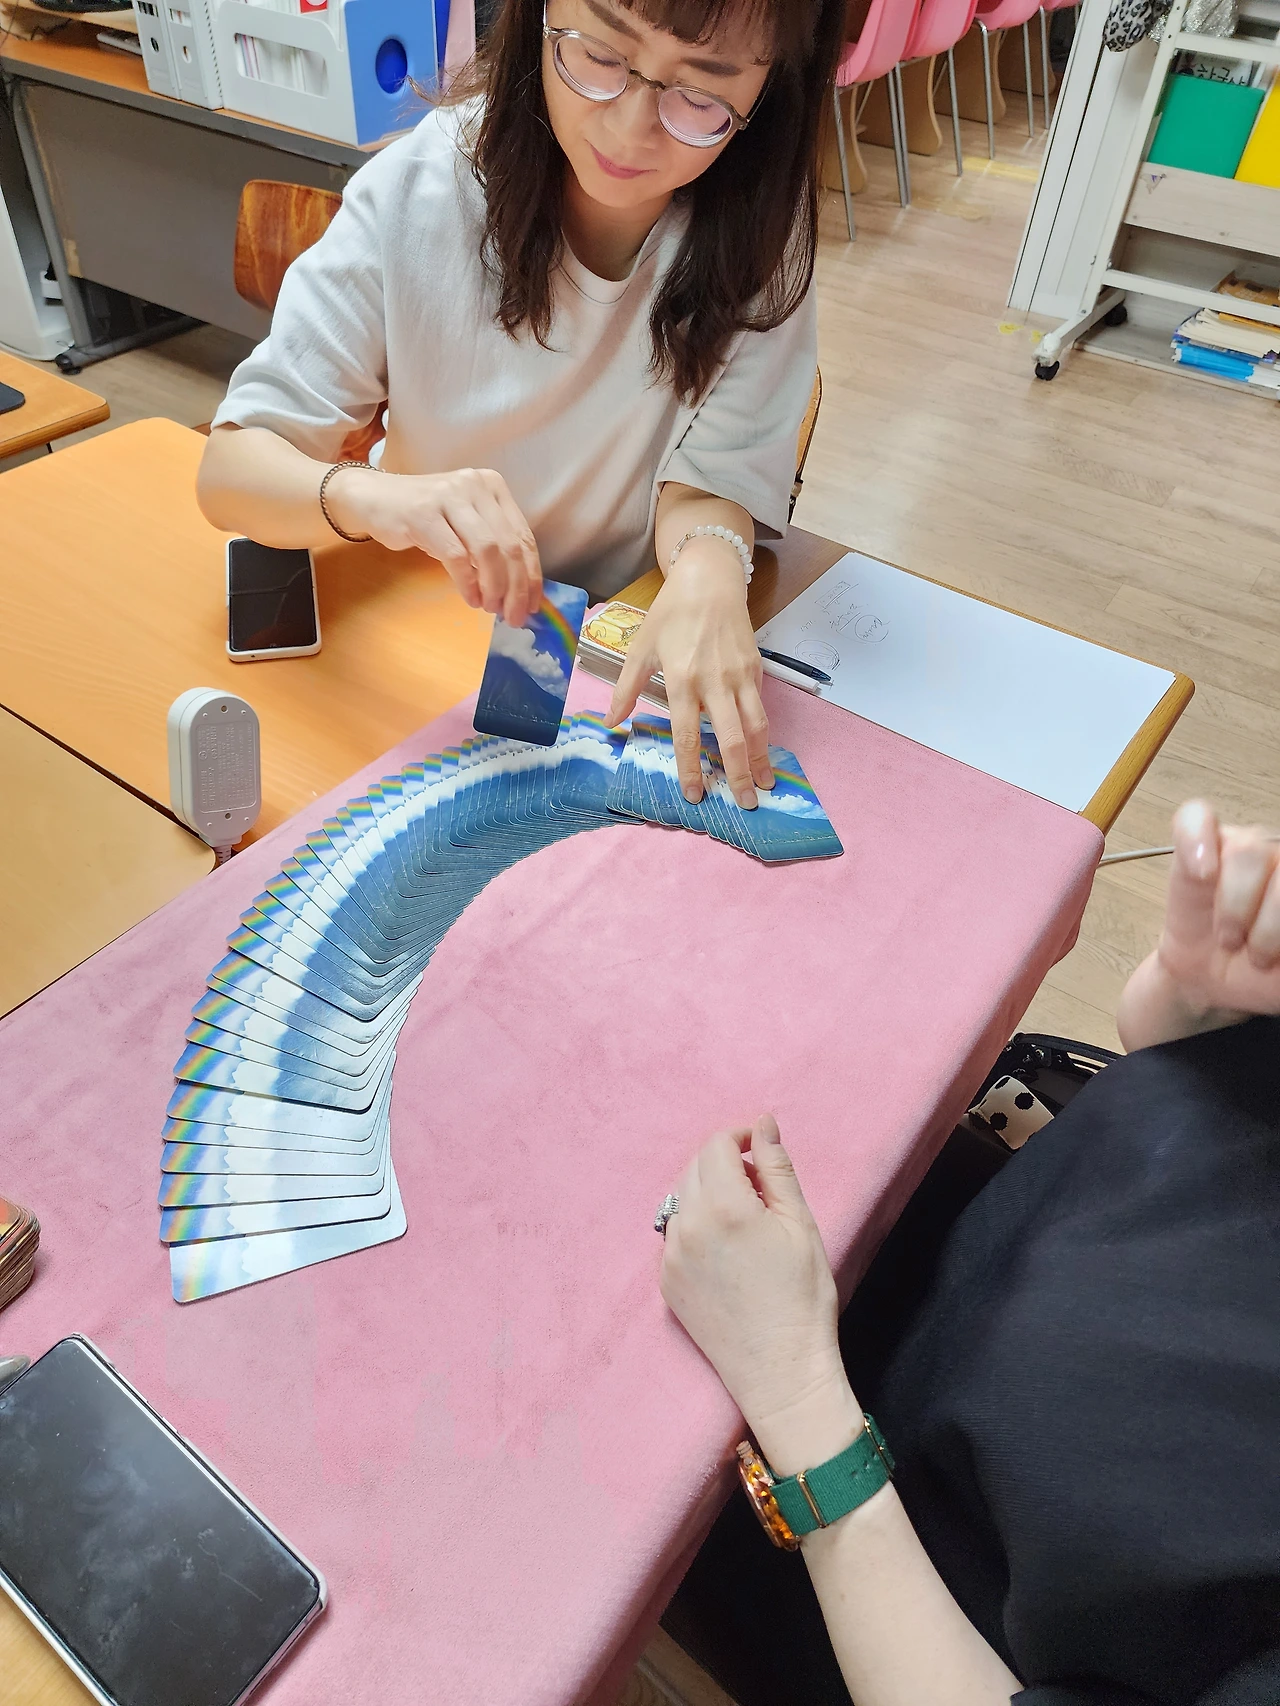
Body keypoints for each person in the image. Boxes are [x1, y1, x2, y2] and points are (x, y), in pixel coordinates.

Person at [657, 799, 1280, 1706]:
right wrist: (1199, 1007)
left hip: (877, 1558)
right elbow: (1199, 1117)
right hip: (959, 1267)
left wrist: (792, 1384)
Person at [196, 0, 845, 810]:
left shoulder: (759, 240)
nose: (630, 130)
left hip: (595, 658)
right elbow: (231, 470)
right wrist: (375, 498)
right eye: (599, 54)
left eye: (701, 95)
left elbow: (708, 482)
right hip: (422, 629)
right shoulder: (424, 187)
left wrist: (712, 564)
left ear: (768, 92)